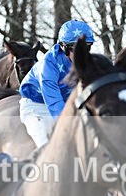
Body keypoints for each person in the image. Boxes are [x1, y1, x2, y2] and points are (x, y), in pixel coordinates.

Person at [18, 19, 96, 147]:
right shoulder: (48, 65)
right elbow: (54, 102)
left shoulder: (88, 63)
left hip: (65, 104)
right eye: (76, 49)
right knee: (49, 146)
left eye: (86, 47)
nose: (82, 54)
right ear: (64, 48)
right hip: (37, 106)